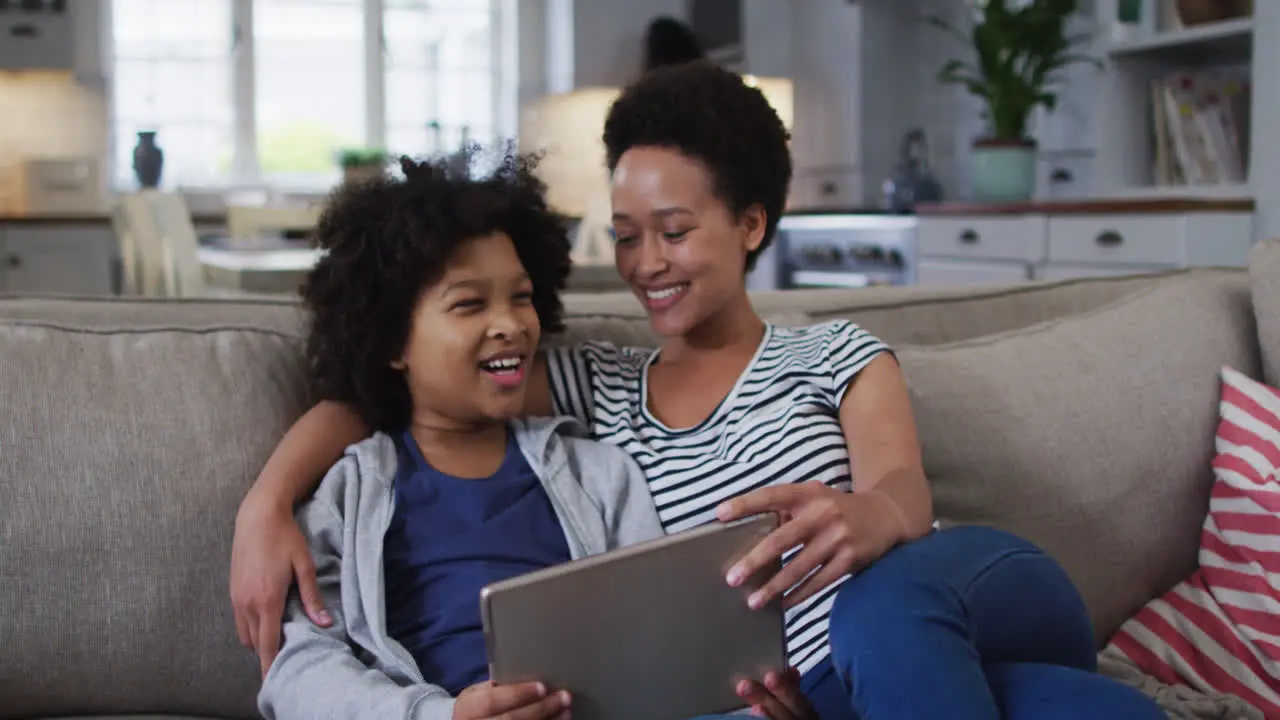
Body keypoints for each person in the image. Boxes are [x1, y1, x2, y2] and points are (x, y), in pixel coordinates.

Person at [233, 62, 1165, 719]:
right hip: (839, 695)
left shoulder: (837, 351)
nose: (646, 264)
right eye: (627, 235)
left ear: (751, 222)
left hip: (953, 592)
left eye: (673, 231)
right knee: (1087, 712)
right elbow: (413, 384)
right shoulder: (590, 384)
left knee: (880, 607)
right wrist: (268, 500)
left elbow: (904, 487)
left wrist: (873, 518)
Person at [257, 152, 670, 720]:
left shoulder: (600, 475)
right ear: (392, 343)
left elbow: (661, 630)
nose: (509, 324)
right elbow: (299, 666)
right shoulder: (352, 492)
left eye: (521, 297)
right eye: (469, 304)